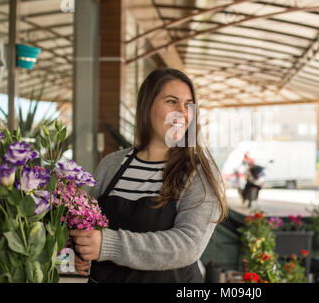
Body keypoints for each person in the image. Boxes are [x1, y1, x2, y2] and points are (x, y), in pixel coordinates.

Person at [69, 68, 228, 283]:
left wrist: (107, 245)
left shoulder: (198, 173)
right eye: (171, 102)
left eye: (188, 104)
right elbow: (86, 221)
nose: (182, 112)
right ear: (147, 106)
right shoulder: (112, 165)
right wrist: (81, 249)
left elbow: (188, 245)